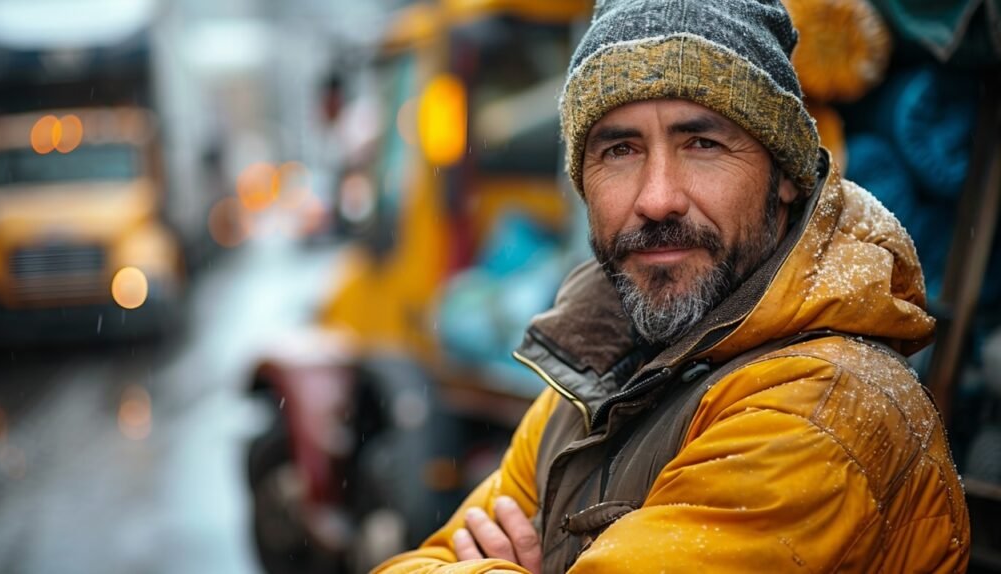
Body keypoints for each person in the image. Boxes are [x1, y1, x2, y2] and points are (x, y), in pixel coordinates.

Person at [374, 0, 971, 571]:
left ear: (786, 177)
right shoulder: (590, 382)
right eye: (620, 149)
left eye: (703, 144)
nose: (658, 198)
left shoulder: (822, 412)